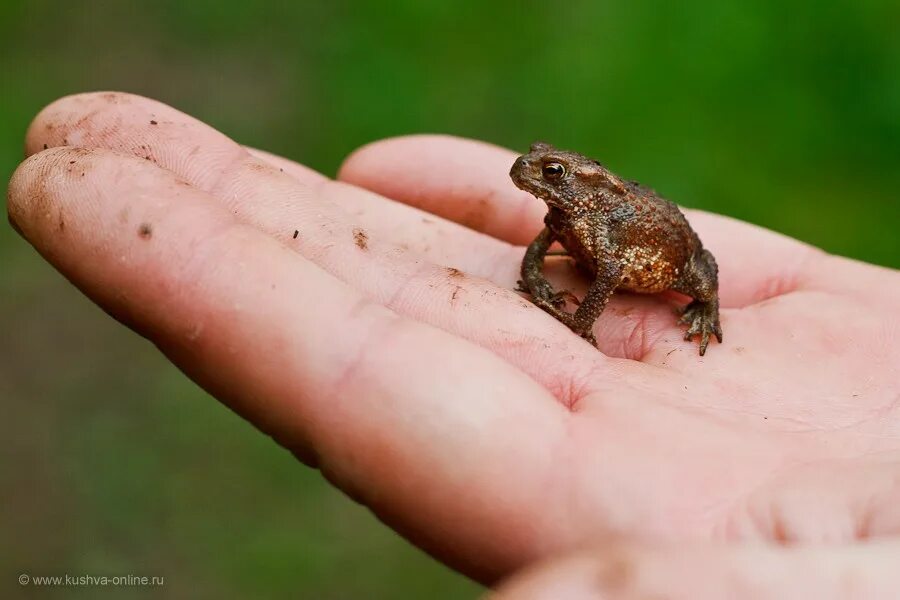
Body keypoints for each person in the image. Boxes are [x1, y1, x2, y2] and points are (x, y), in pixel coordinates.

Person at [7, 92, 899, 598]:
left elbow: (622, 270)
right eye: (539, 168)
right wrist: (537, 282)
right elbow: (552, 248)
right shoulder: (568, 217)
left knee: (702, 271)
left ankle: (704, 311)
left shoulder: (615, 222)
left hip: (669, 256)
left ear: (580, 185)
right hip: (616, 243)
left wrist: (594, 323)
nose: (537, 179)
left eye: (552, 173)